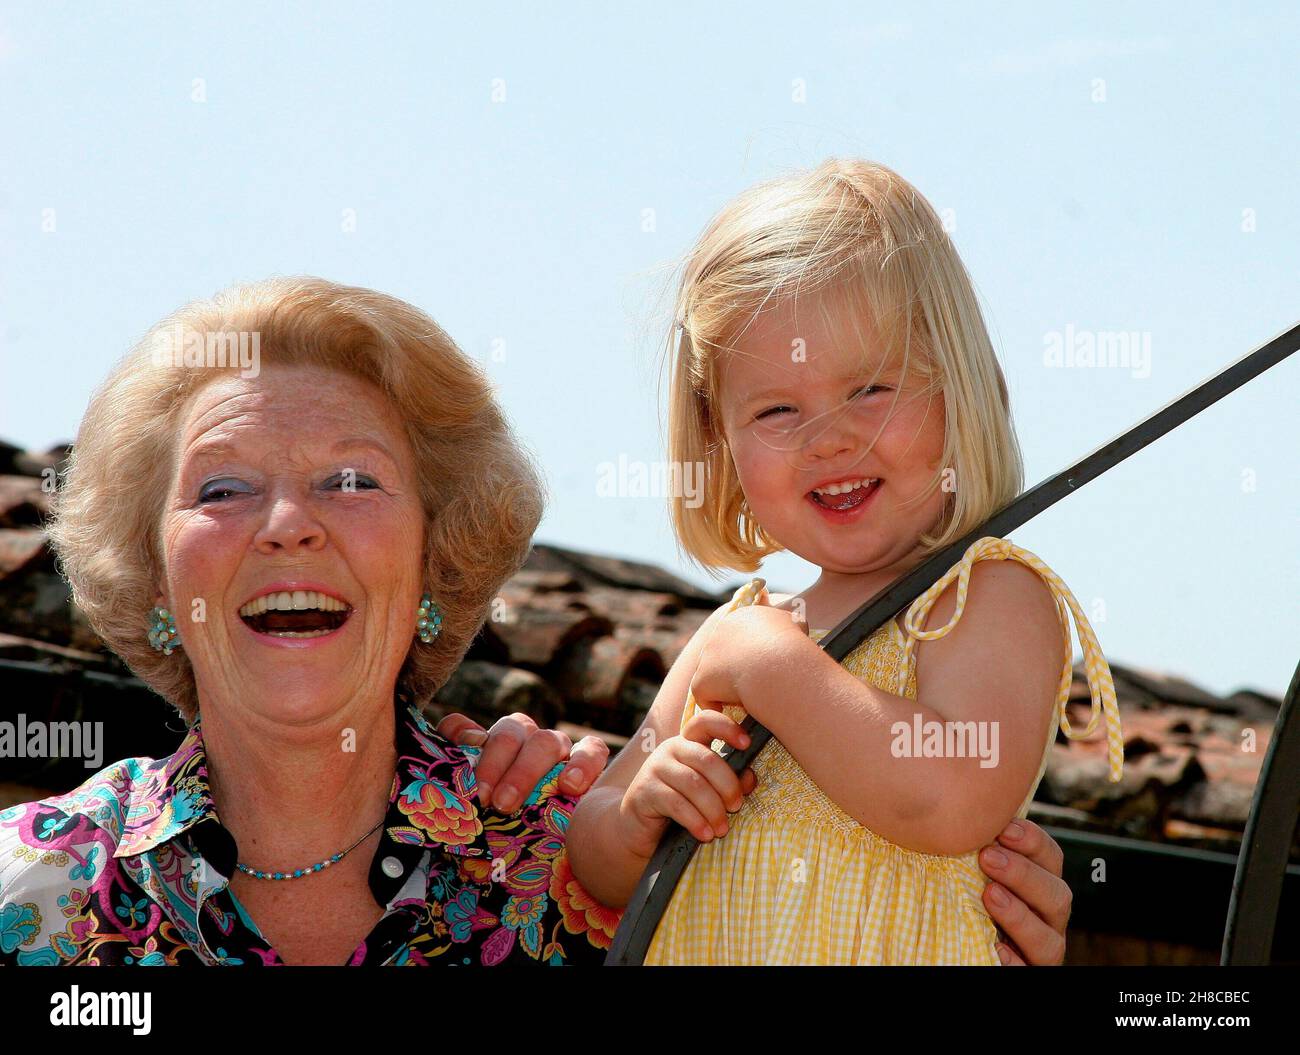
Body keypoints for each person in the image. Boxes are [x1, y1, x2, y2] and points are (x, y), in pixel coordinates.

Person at [568, 159, 1124, 965]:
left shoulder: (987, 594)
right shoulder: (741, 626)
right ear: (720, 443)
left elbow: (947, 795)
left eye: (870, 387)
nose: (829, 438)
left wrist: (774, 669)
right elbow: (596, 848)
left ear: (957, 384)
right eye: (776, 408)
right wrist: (634, 817)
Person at [0, 278, 619, 965]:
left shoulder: (586, 868)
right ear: (154, 583)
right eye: (223, 489)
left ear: (435, 556)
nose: (289, 526)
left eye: (351, 481)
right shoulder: (27, 890)